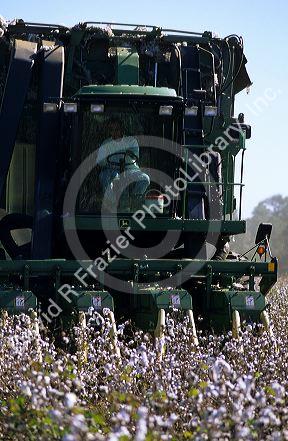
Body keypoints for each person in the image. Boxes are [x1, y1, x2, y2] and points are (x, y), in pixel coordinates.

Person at [97, 117, 150, 210]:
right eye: (111, 130)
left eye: (117, 129)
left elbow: (135, 156)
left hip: (130, 169)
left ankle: (134, 199)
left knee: (145, 179)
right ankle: (110, 203)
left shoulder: (131, 141)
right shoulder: (106, 143)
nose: (114, 132)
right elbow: (100, 162)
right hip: (112, 169)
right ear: (109, 131)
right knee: (106, 176)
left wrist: (130, 154)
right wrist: (104, 161)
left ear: (122, 129)